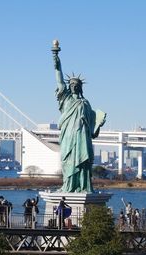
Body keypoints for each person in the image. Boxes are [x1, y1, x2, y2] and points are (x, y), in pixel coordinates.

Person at [52, 40, 106, 193]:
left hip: (82, 136)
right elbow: (59, 78)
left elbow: (92, 131)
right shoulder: (66, 98)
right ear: (69, 86)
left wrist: (99, 125)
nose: (74, 85)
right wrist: (55, 56)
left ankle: (83, 186)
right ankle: (68, 185)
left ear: (80, 87)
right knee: (68, 161)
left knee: (83, 162)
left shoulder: (86, 103)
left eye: (77, 84)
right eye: (72, 84)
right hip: (69, 136)